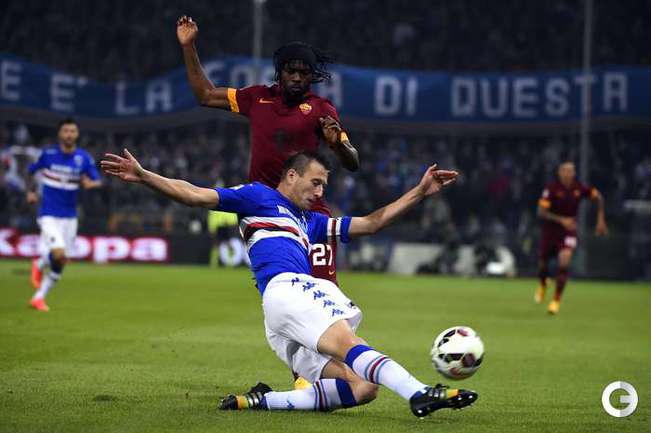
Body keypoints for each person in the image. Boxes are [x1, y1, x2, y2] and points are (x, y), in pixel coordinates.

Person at [100, 149, 477, 418]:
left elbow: (371, 223)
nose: (320, 192)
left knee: (364, 387)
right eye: (316, 182)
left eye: (324, 185)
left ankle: (263, 401)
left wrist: (419, 192)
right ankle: (419, 393)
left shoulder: (310, 222)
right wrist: (146, 176)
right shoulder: (257, 197)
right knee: (351, 345)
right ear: (292, 176)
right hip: (287, 288)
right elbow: (196, 195)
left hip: (280, 315)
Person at [176, 15, 358, 287]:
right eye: (291, 71)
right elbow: (206, 95)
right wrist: (188, 46)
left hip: (309, 211)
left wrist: (338, 144)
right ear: (279, 72)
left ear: (312, 76)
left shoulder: (321, 109)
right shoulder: (256, 97)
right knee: (282, 288)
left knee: (324, 288)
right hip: (263, 208)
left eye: (304, 73)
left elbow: (353, 162)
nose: (297, 78)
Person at [26, 118, 101, 312]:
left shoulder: (84, 158)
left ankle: (38, 297)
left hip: (70, 216)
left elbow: (97, 180)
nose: (69, 134)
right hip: (49, 213)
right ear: (60, 133)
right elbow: (31, 172)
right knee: (58, 254)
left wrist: (90, 184)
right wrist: (31, 192)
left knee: (62, 260)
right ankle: (40, 263)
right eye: (66, 131)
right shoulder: (48, 154)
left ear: (77, 134)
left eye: (72, 131)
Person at [536, 161, 608, 314]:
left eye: (571, 171)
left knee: (565, 260)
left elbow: (599, 197)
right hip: (550, 232)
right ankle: (543, 284)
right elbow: (541, 212)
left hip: (568, 232)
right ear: (559, 172)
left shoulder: (579, 188)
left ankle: (556, 300)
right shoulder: (551, 189)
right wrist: (561, 220)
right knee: (543, 265)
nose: (568, 173)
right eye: (565, 170)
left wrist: (601, 219)